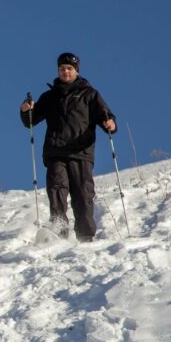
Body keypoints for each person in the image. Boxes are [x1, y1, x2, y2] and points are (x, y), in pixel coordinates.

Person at [19, 52, 117, 242]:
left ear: (76, 70)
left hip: (81, 152)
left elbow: (105, 115)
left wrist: (110, 123)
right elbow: (31, 120)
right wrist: (25, 111)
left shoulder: (89, 94)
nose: (65, 72)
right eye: (62, 68)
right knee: (57, 190)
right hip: (56, 152)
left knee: (83, 194)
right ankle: (59, 232)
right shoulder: (50, 96)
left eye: (69, 68)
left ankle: (85, 236)